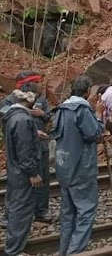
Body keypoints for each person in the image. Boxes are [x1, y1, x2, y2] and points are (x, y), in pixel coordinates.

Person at [52, 76, 104, 255]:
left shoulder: (61, 109)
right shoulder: (82, 110)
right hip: (81, 169)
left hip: (63, 167)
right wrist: (98, 115)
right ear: (88, 91)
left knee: (68, 213)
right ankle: (74, 251)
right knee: (86, 210)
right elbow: (95, 134)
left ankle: (64, 250)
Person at [0, 70, 54, 225]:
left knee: (42, 178)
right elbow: (5, 118)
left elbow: (48, 117)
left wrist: (42, 113)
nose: (38, 86)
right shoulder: (9, 101)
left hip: (40, 146)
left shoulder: (40, 99)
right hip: (19, 147)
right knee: (17, 183)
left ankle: (41, 211)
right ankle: (10, 216)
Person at [2, 83, 43, 256]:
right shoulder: (23, 120)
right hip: (23, 173)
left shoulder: (12, 116)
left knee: (14, 205)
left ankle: (13, 243)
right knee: (22, 209)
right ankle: (14, 250)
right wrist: (33, 173)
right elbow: (25, 151)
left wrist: (33, 133)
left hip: (14, 170)